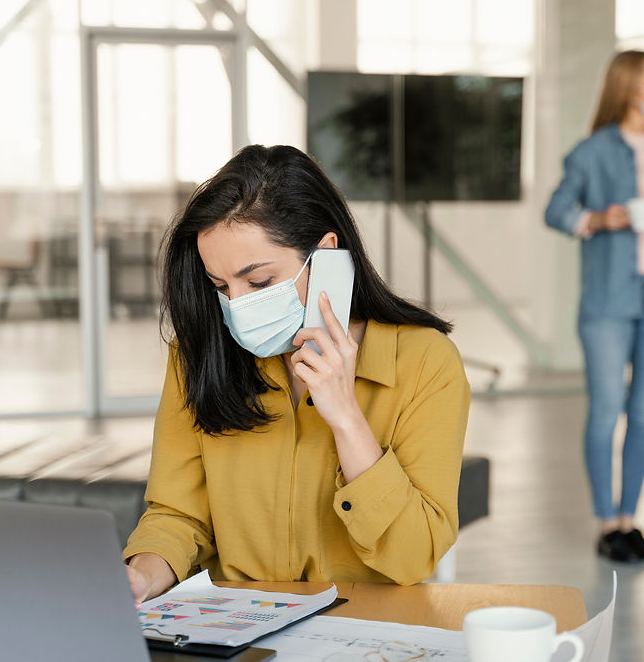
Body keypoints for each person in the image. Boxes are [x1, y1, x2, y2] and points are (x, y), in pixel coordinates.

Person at [124, 145, 471, 601]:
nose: (239, 303)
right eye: (221, 286)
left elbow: (414, 556)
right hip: (238, 630)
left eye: (260, 281)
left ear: (326, 253)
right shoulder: (199, 357)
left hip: (363, 633)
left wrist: (347, 418)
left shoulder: (426, 362)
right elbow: (178, 514)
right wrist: (141, 577)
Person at [545, 51, 644, 564]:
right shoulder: (591, 152)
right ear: (631, 87)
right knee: (608, 410)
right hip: (608, 300)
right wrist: (598, 219)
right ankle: (607, 523)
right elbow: (556, 210)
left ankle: (630, 521)